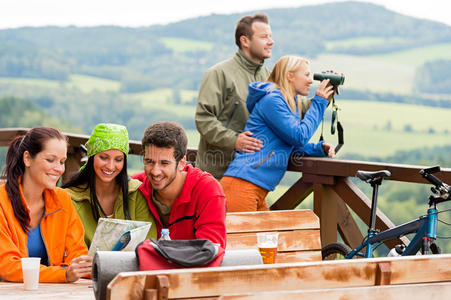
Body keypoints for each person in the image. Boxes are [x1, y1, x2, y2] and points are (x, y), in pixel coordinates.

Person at [221, 55, 335, 212]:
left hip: (256, 189)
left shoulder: (288, 102)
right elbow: (299, 136)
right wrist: (319, 102)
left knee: (269, 237)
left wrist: (318, 149)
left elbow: (286, 145)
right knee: (247, 237)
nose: (310, 81)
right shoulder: (272, 101)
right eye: (307, 75)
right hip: (242, 186)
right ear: (289, 75)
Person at [0, 127, 91, 282]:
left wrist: (91, 267)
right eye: (50, 160)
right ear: (27, 158)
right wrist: (63, 274)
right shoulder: (2, 201)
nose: (59, 169)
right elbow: (7, 267)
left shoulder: (63, 200)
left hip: (51, 293)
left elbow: (77, 254)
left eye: (62, 162)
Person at [132, 121, 226, 268]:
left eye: (164, 163)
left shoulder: (208, 190)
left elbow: (210, 252)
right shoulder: (136, 187)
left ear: (182, 162)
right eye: (149, 162)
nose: (155, 171)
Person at [195, 13, 274, 180]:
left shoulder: (268, 76)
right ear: (245, 41)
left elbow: (286, 112)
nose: (271, 41)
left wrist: (321, 98)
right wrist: (235, 140)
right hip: (217, 176)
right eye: (264, 37)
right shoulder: (218, 73)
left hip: (252, 176)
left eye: (271, 36)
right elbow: (204, 120)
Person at [63, 123, 157, 248]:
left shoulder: (136, 192)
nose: (110, 166)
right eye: (104, 157)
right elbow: (74, 250)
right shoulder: (70, 198)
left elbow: (148, 241)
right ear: (91, 157)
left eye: (118, 160)